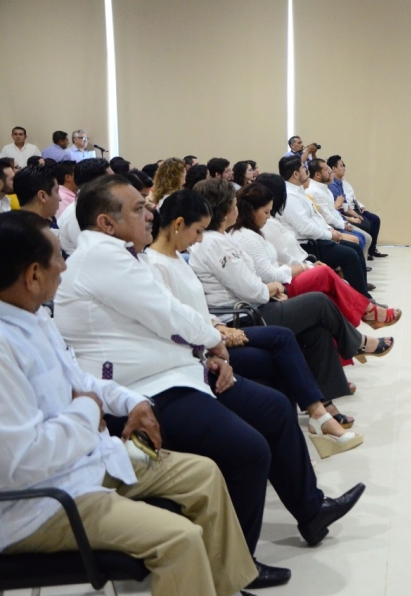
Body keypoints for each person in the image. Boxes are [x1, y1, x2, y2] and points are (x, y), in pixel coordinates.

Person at [53, 175, 367, 585]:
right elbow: (166, 315)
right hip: (144, 392)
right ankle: (235, 568)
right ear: (106, 223)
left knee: (274, 408)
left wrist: (205, 351)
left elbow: (165, 321)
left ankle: (311, 512)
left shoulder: (128, 256)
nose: (149, 212)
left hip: (175, 373)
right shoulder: (102, 258)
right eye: (138, 208)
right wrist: (212, 342)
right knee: (249, 450)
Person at [0, 210, 259, 596]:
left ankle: (224, 588)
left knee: (204, 473)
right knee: (178, 539)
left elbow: (83, 382)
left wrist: (133, 401)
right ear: (33, 275)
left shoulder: (36, 320)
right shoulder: (5, 346)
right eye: (57, 258)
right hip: (45, 502)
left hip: (94, 461)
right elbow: (23, 458)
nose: (64, 266)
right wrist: (88, 410)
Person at [146, 189, 364, 457]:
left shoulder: (180, 256)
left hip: (224, 323)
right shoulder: (164, 262)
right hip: (232, 321)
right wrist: (218, 332)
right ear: (179, 224)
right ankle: (323, 408)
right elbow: (182, 318)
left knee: (312, 332)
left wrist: (216, 325)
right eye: (198, 231)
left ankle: (319, 413)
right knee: (304, 316)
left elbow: (199, 306)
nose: (199, 238)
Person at [190, 178, 391, 358]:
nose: (237, 209)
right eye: (234, 205)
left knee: (318, 328)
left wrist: (300, 269)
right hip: (247, 312)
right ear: (225, 210)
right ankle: (363, 329)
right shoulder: (222, 241)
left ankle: (329, 386)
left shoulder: (224, 237)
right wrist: (277, 286)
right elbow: (255, 286)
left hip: (259, 298)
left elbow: (253, 275)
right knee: (320, 297)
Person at [231, 181, 400, 327]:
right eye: (265, 212)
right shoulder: (248, 236)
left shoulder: (257, 229)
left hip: (288, 273)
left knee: (330, 289)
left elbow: (275, 262)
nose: (268, 217)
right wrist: (304, 268)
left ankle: (358, 331)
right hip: (280, 285)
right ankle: (367, 311)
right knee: (327, 272)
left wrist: (307, 265)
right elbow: (270, 273)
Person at [277, 156, 373, 296]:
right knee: (350, 255)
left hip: (318, 237)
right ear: (296, 174)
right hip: (308, 244)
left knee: (355, 248)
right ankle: (362, 299)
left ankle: (362, 295)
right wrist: (330, 235)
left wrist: (330, 230)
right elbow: (305, 228)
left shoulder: (299, 191)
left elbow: (316, 218)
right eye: (303, 168)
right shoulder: (290, 196)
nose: (306, 170)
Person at [328, 154, 387, 259]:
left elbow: (347, 201)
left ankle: (370, 251)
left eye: (343, 165)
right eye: (341, 166)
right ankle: (363, 255)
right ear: (334, 169)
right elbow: (338, 208)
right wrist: (353, 217)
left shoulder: (340, 183)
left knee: (373, 220)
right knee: (365, 225)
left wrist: (357, 212)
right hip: (340, 216)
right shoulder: (332, 185)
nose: (344, 168)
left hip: (349, 210)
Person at [307, 158, 371, 250]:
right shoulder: (316, 191)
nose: (330, 172)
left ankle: (362, 259)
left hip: (338, 222)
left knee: (365, 235)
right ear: (318, 175)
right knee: (360, 238)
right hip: (329, 227)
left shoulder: (327, 188)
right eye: (326, 170)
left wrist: (344, 223)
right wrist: (344, 224)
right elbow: (328, 216)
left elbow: (334, 211)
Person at [58, 158, 113, 254]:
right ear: (96, 184)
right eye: (111, 180)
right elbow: (96, 253)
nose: (117, 184)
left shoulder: (96, 204)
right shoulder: (76, 215)